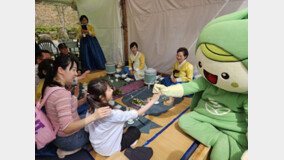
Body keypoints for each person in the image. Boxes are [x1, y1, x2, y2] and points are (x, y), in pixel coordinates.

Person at [41, 54, 112, 158]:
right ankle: (71, 149)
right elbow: (66, 127)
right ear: (60, 70)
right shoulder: (61, 94)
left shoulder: (50, 86)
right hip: (68, 139)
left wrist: (82, 99)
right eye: (73, 70)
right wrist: (95, 116)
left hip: (58, 134)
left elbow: (68, 109)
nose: (76, 73)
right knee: (101, 129)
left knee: (91, 119)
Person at [85, 78, 160, 156]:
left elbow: (87, 130)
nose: (112, 90)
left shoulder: (90, 108)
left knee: (122, 128)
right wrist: (153, 100)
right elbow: (138, 113)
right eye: (109, 90)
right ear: (101, 97)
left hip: (96, 147)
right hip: (110, 150)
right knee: (134, 130)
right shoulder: (113, 114)